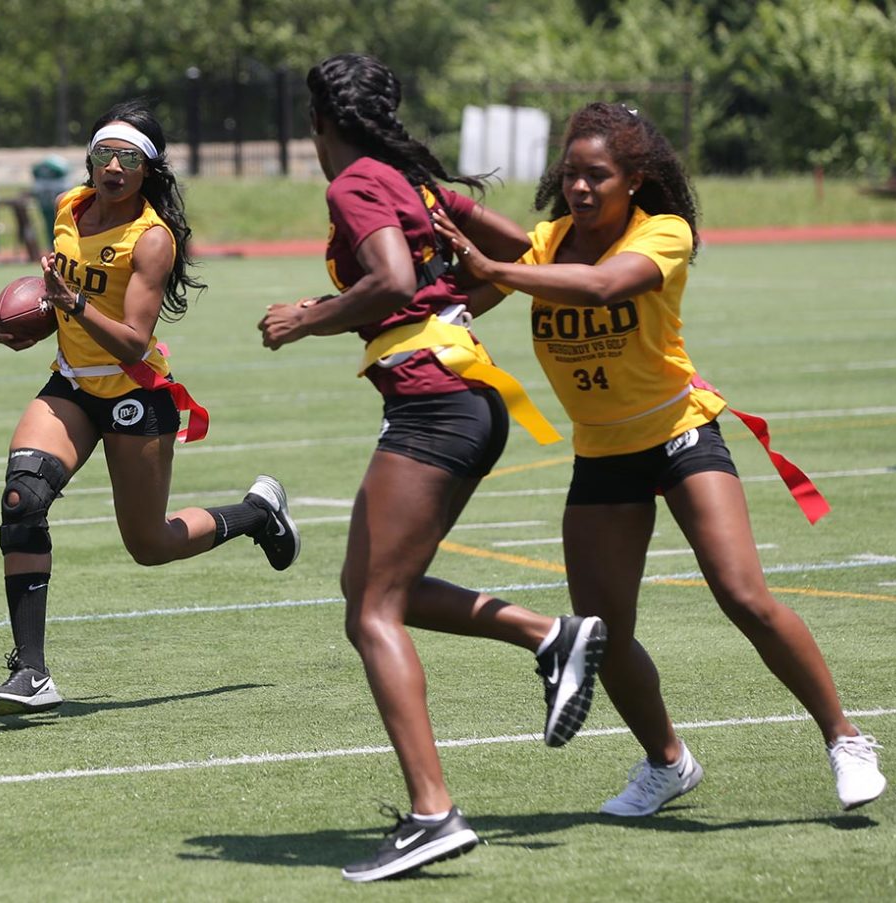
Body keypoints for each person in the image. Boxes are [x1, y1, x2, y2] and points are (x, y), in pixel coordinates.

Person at [432, 100, 886, 818]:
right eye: (571, 175)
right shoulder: (545, 242)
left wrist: (500, 268)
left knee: (743, 594)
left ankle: (846, 738)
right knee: (603, 632)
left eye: (598, 177)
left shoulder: (663, 232)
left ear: (635, 178)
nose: (580, 189)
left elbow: (610, 284)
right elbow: (455, 304)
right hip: (602, 453)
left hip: (679, 432)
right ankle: (667, 762)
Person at [258, 53, 608, 883]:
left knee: (371, 610)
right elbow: (516, 251)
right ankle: (548, 635)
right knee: (379, 590)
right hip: (461, 394)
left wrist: (308, 318)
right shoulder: (412, 182)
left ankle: (432, 812)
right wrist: (454, 307)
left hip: (435, 401)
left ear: (322, 122)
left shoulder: (356, 185)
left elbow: (389, 278)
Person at [0, 99, 299, 716]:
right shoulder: (68, 207)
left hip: (134, 391)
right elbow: (55, 298)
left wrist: (70, 304)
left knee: (149, 544)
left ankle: (257, 513)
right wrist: (11, 320)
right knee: (22, 499)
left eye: (130, 158)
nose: (114, 167)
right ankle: (32, 673)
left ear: (149, 169)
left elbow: (132, 338)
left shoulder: (152, 240)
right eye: (105, 154)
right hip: (72, 383)